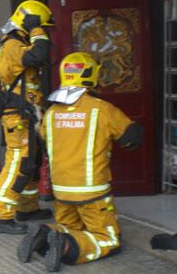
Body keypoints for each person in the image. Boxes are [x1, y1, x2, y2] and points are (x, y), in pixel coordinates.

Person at [18, 52, 142, 272]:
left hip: (61, 191)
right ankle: (66, 247)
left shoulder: (52, 112)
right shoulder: (102, 109)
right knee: (108, 240)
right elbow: (132, 138)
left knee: (68, 227)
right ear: (91, 75)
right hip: (92, 193)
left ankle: (46, 234)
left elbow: (45, 139)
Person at [0, 0, 55, 234]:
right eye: (39, 25)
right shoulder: (14, 45)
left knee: (31, 163)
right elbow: (38, 55)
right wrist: (36, 29)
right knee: (18, 163)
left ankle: (27, 208)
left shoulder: (19, 44)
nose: (43, 31)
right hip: (18, 116)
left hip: (27, 114)